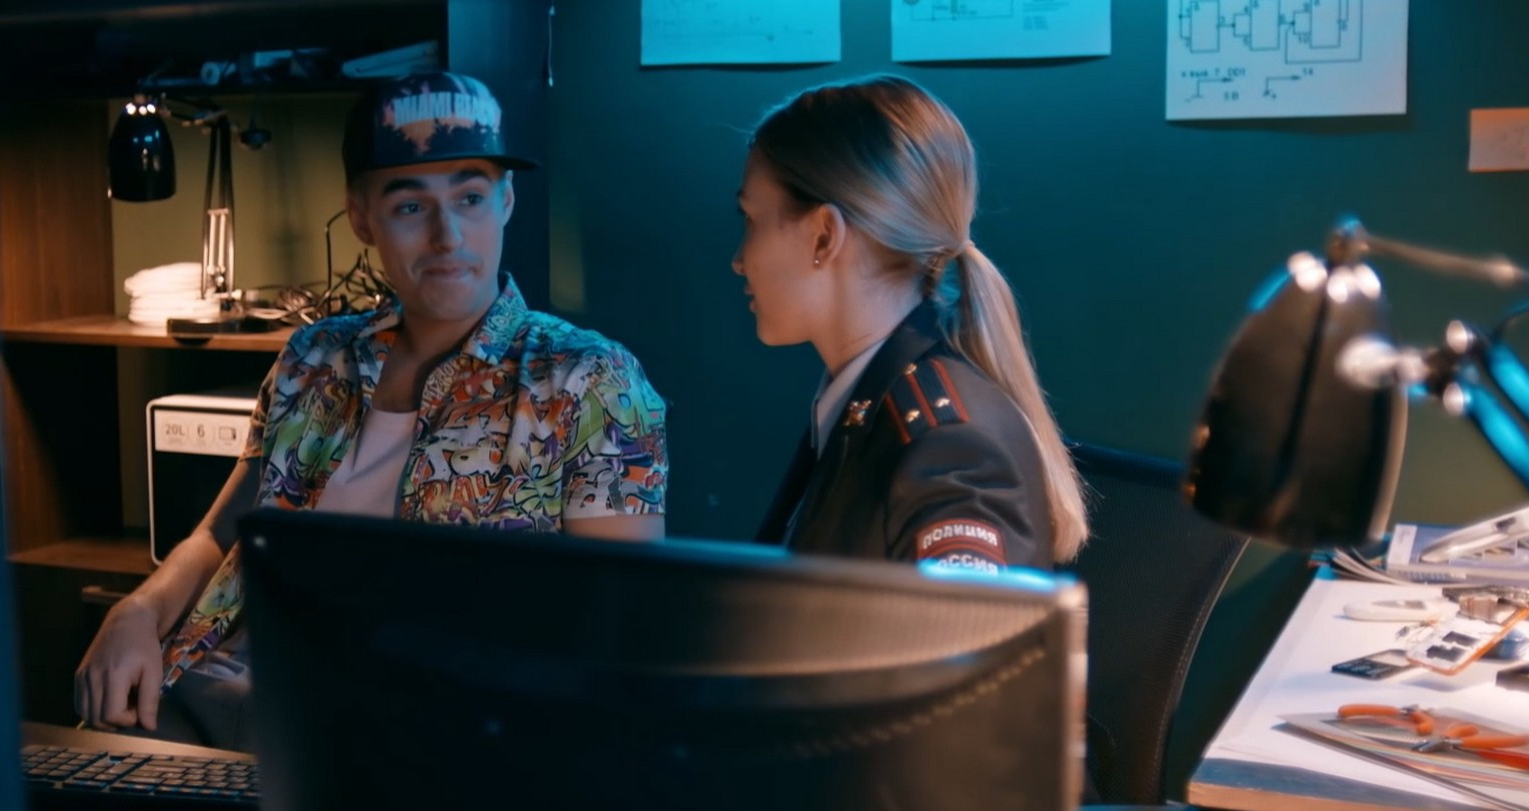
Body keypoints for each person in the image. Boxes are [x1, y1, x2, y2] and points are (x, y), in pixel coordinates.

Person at [75, 72, 669, 742]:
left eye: (470, 198)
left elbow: (622, 629)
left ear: (506, 201)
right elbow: (221, 536)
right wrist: (136, 610)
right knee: (53, 788)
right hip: (206, 694)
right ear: (362, 217)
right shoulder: (313, 356)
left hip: (403, 737)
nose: (448, 236)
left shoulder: (587, 379)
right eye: (411, 206)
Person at [736, 75, 1086, 571]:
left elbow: (966, 625)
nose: (738, 260)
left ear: (824, 236)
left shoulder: (946, 448)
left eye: (750, 220)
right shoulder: (866, 400)